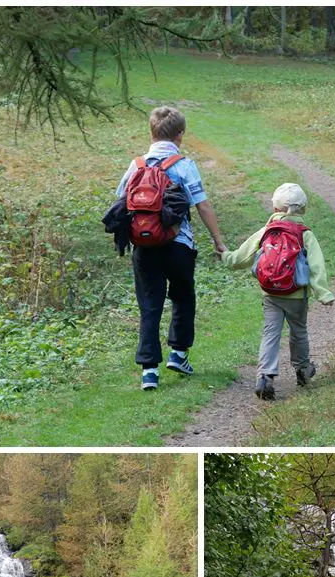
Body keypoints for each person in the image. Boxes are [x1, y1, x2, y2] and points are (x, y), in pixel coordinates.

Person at [115, 105, 227, 390]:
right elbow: (202, 204)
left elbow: (121, 202)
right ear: (180, 135)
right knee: (183, 297)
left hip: (143, 245)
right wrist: (218, 241)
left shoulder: (136, 165)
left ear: (151, 133)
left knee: (149, 305)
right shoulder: (184, 165)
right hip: (178, 245)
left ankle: (149, 371)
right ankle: (178, 354)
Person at [220, 182, 335, 401]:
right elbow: (317, 266)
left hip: (271, 294)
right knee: (298, 331)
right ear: (304, 210)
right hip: (297, 295)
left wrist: (226, 256)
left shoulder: (266, 231)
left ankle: (265, 376)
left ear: (275, 210)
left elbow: (242, 257)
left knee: (270, 333)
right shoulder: (305, 234)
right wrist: (323, 293)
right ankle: (302, 371)